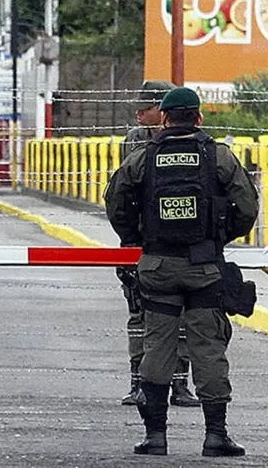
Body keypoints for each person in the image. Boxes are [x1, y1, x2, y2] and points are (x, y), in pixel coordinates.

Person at [105, 87, 258, 457]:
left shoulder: (145, 156)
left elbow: (115, 201)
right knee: (208, 347)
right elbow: (247, 206)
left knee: (158, 345)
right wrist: (219, 237)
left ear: (164, 119)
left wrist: (134, 238)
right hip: (203, 266)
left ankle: (155, 437)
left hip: (157, 265)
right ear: (199, 118)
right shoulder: (218, 155)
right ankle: (215, 436)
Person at [116, 81, 199, 408]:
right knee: (139, 314)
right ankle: (139, 381)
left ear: (163, 112)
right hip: (142, 239)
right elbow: (122, 193)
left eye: (146, 107)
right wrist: (128, 238)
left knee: (184, 316)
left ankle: (180, 383)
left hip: (185, 242)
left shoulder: (196, 142)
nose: (139, 112)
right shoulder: (135, 141)